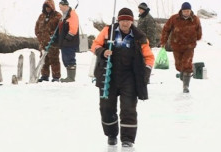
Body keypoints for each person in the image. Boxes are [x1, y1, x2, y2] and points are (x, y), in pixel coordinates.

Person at [91, 8, 154, 147]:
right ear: (119, 20)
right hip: (108, 75)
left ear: (132, 21)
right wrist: (102, 51)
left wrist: (145, 74)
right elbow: (94, 45)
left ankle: (127, 139)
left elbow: (149, 58)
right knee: (106, 108)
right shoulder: (108, 31)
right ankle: (111, 134)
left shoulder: (140, 37)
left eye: (128, 20)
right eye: (123, 20)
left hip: (129, 78)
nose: (125, 23)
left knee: (128, 109)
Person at [160, 2, 202, 93]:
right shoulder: (174, 19)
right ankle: (183, 74)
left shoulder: (195, 19)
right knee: (179, 66)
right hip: (176, 46)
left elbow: (199, 31)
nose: (186, 12)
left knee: (187, 65)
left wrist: (197, 37)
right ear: (181, 11)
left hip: (189, 46)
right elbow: (166, 29)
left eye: (188, 11)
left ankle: (186, 86)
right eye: (185, 11)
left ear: (190, 11)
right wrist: (163, 41)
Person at [35, 0, 62, 82]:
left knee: (54, 60)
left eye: (49, 7)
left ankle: (56, 77)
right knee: (44, 60)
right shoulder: (41, 16)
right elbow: (36, 28)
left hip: (53, 43)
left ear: (52, 7)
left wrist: (54, 35)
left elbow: (61, 29)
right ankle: (44, 75)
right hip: (43, 43)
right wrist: (39, 37)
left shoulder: (58, 16)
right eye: (46, 7)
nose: (47, 8)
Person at [57, 0, 79, 82]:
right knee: (65, 59)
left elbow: (73, 29)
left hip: (70, 42)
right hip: (65, 43)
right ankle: (69, 76)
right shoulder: (65, 15)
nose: (60, 9)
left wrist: (67, 39)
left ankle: (71, 78)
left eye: (60, 7)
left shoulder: (72, 14)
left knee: (70, 59)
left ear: (65, 6)